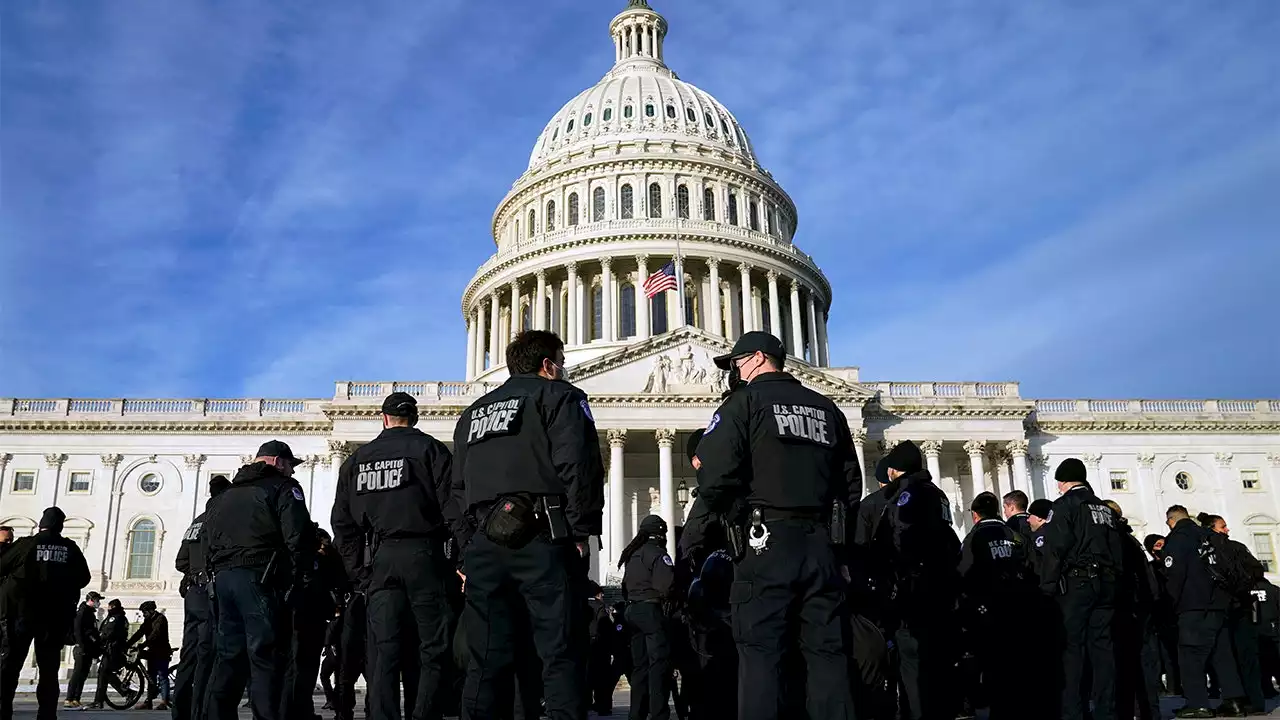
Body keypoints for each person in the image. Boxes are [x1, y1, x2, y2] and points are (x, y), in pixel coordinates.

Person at [695, 331, 860, 720]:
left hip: (765, 541)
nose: (733, 372)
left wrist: (736, 518)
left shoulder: (744, 403)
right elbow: (851, 485)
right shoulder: (826, 408)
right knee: (828, 656)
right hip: (820, 544)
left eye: (735, 363)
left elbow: (714, 478)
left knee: (761, 656)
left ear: (754, 359)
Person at [450, 329, 604, 720]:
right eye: (563, 362)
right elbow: (579, 467)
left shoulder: (474, 413)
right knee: (559, 651)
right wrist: (580, 530)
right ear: (549, 365)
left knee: (486, 657)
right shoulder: (561, 397)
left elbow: (457, 490)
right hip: (543, 534)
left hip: (486, 542)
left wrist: (470, 546)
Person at [330, 391, 457, 720]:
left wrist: (358, 571)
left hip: (380, 558)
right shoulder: (431, 450)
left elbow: (342, 525)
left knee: (382, 652)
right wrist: (461, 560)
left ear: (383, 418)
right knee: (433, 647)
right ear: (414, 418)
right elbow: (454, 509)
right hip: (424, 554)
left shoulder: (357, 461)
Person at [203, 440, 316, 720]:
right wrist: (298, 578)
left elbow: (206, 540)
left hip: (223, 580)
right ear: (278, 462)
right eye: (290, 464)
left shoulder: (224, 494)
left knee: (228, 658)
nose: (292, 471)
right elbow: (298, 537)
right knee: (266, 657)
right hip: (260, 578)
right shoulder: (283, 487)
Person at [869, 441, 960, 720]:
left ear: (898, 471)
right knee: (939, 663)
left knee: (913, 666)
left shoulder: (908, 495)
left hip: (915, 591)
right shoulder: (939, 493)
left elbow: (900, 539)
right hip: (942, 590)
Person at [1038, 458, 1128, 720]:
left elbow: (1055, 549)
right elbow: (1117, 550)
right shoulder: (1104, 509)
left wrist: (1047, 588)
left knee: (1071, 649)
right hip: (1107, 584)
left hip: (1077, 584)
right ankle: (1106, 711)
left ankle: (1073, 712)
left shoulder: (1065, 505)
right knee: (1103, 650)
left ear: (1063, 482)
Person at [0, 506, 91, 720]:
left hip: (22, 615)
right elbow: (84, 578)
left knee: (10, 668)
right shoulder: (70, 548)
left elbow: (1, 566)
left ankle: (3, 714)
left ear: (41, 525)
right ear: (60, 526)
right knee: (49, 672)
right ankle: (47, 716)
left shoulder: (26, 544)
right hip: (53, 618)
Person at [1162, 504, 1248, 718]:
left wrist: (1172, 603)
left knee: (1191, 655)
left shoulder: (1178, 538)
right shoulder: (1210, 536)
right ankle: (1234, 701)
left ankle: (1198, 703)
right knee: (1222, 654)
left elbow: (1174, 575)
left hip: (1193, 605)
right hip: (1219, 603)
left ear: (1171, 520)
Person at [957, 491, 1031, 720]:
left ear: (976, 515)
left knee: (988, 662)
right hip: (1017, 605)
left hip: (985, 609)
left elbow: (963, 573)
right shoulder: (1013, 534)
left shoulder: (975, 537)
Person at [173, 474, 231, 720]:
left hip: (193, 594)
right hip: (211, 592)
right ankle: (200, 713)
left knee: (188, 655)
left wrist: (194, 573)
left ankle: (180, 711)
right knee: (208, 655)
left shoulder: (195, 522)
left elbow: (180, 561)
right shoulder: (222, 518)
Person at [281, 527, 347, 720]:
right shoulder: (320, 561)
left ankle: (295, 711)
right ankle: (297, 711)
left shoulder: (295, 558)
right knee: (302, 668)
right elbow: (337, 582)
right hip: (310, 618)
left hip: (301, 618)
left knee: (298, 668)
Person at [619, 516, 676, 720]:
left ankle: (637, 713)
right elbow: (666, 586)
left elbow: (624, 587)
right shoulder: (658, 553)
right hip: (650, 610)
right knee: (658, 665)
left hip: (632, 611)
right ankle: (659, 713)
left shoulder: (632, 554)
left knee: (639, 667)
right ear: (661, 533)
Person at [128, 601, 174, 709]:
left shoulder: (160, 619)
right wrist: (128, 644)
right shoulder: (148, 620)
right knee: (150, 677)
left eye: (145, 612)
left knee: (162, 676)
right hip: (152, 651)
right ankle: (148, 702)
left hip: (162, 651)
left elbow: (155, 635)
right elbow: (140, 632)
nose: (143, 614)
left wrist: (143, 645)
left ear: (151, 611)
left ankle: (164, 702)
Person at [88, 599, 131, 709]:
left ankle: (126, 692)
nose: (108, 608)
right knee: (103, 674)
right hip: (112, 649)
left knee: (104, 673)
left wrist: (98, 642)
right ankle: (99, 701)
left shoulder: (115, 618)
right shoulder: (119, 617)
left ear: (113, 607)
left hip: (113, 650)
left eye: (109, 607)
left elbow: (107, 633)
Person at [64, 591, 102, 708]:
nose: (98, 603)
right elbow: (78, 630)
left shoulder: (90, 613)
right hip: (81, 648)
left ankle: (76, 698)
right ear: (91, 600)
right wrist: (81, 645)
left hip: (88, 648)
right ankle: (69, 698)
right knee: (77, 673)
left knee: (83, 674)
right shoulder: (82, 612)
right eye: (97, 600)